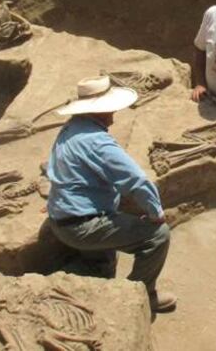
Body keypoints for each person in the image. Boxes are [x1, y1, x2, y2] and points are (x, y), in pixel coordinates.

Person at [46, 75, 177, 313]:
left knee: (103, 263)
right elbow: (136, 180)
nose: (113, 117)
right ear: (99, 112)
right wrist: (155, 213)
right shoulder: (98, 142)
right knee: (158, 236)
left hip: (61, 218)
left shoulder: (70, 129)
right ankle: (140, 297)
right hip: (82, 225)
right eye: (110, 110)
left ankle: (82, 274)